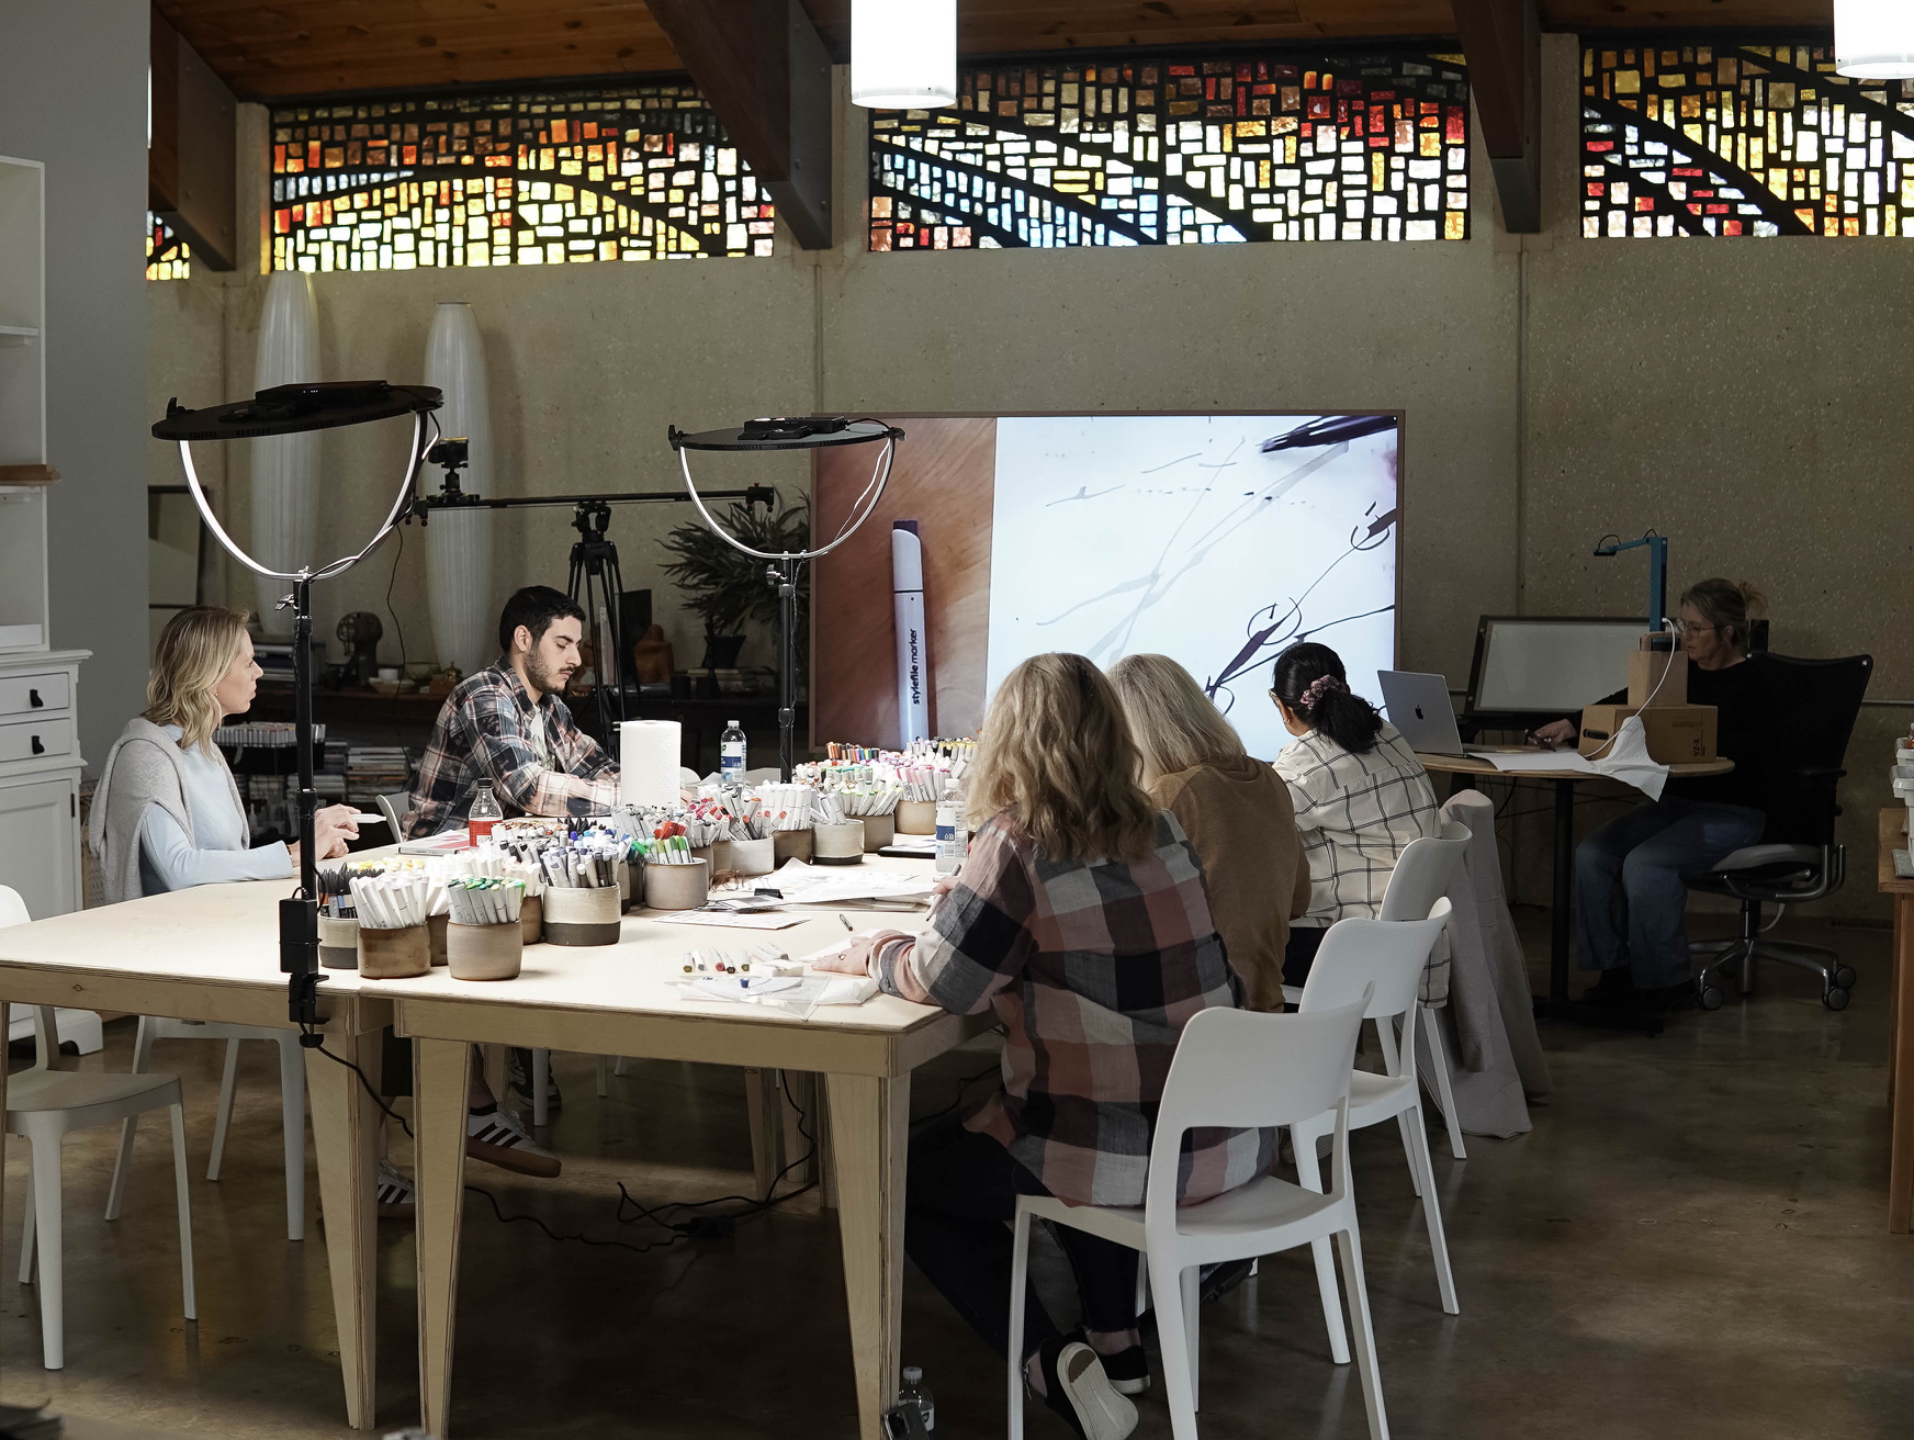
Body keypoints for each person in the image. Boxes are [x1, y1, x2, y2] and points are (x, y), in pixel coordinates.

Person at [816, 653, 1268, 1440]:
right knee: (1063, 1119)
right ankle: (1117, 1346)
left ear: (1009, 738)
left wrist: (876, 951)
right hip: (1216, 1140)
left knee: (909, 1182)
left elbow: (944, 983)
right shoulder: (1163, 827)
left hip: (1116, 1153)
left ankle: (1051, 1363)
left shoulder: (1020, 842)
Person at [1532, 580, 1778, 1012]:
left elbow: (1758, 750)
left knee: (1647, 864)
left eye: (1697, 629)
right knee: (1592, 854)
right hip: (1676, 804)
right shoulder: (1677, 673)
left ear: (1727, 633)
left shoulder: (1761, 682)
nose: (1687, 637)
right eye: (1684, 625)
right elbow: (1628, 700)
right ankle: (1614, 971)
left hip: (1735, 811)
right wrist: (1572, 724)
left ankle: (1666, 983)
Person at [91, 606, 359, 904]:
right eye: (249, 663)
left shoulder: (206, 750)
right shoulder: (147, 755)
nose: (259, 672)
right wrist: (294, 853)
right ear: (210, 676)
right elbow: (177, 869)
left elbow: (228, 861)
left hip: (222, 914)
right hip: (175, 927)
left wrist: (311, 851)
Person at [1107, 653, 1311, 1012]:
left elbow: (1120, 920)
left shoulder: (1171, 796)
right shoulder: (1269, 778)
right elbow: (1299, 900)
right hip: (1265, 1010)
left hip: (1197, 1017)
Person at [1270, 641, 1441, 988]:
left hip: (1354, 945)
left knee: (1232, 946)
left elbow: (1254, 830)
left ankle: (1284, 1026)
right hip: (1412, 941)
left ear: (1283, 708)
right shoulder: (1387, 733)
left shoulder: (1303, 765)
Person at [406, 586, 619, 841]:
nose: (576, 660)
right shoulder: (484, 696)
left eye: (577, 645)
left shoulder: (551, 707)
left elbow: (596, 766)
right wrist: (628, 797)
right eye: (562, 645)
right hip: (448, 850)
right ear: (523, 639)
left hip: (506, 847)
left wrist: (647, 789)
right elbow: (527, 787)